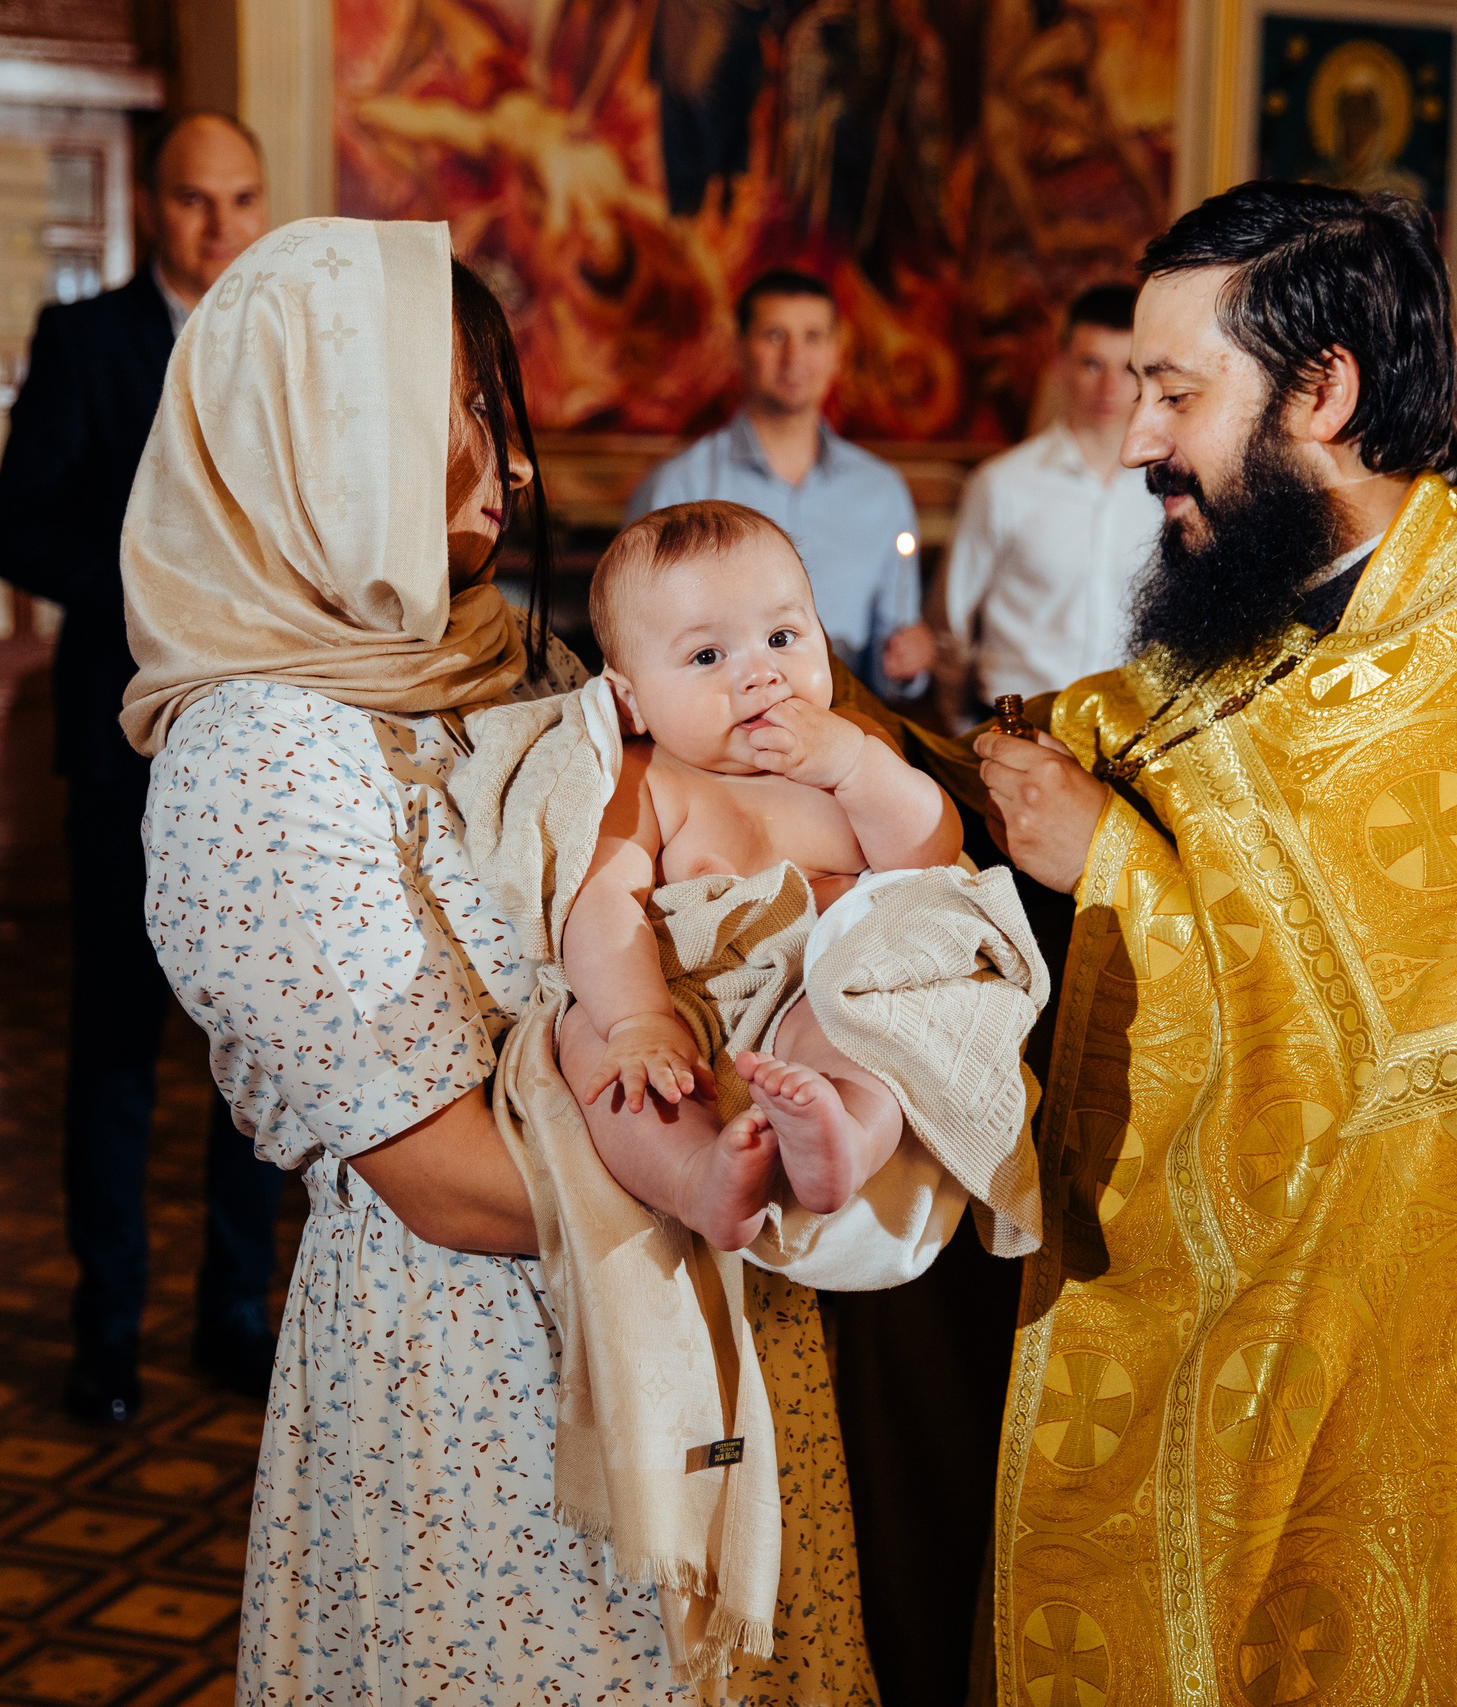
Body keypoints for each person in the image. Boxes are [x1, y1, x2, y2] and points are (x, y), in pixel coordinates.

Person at [120, 217, 945, 1702]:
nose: (510, 469)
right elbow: (435, 1169)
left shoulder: (518, 660)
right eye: (462, 420)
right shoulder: (256, 754)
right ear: (321, 440)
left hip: (706, 1303)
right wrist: (744, 1187)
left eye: (501, 424)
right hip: (494, 1380)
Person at [963, 182, 1457, 1703]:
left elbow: (1363, 1043)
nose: (1139, 439)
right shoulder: (1280, 614)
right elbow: (1124, 749)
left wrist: (1112, 866)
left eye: (1174, 391)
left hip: (1384, 1367)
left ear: (1322, 390)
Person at [0, 111, 281, 1424]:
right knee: (114, 1046)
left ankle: (236, 1306)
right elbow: (13, 530)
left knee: (251, 1048)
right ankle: (105, 1321)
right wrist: (147, 567)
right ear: (152, 207)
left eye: (241, 199)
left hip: (266, 751)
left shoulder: (288, 352)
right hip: (121, 747)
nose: (219, 225)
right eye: (194, 200)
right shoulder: (86, 340)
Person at [564, 500, 966, 1246]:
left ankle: (840, 1135)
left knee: (873, 1031)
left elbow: (931, 851)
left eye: (782, 637)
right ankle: (696, 1176)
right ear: (630, 700)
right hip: (696, 1003)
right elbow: (602, 899)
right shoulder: (647, 780)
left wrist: (854, 765)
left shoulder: (849, 750)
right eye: (707, 656)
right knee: (590, 1045)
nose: (761, 673)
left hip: (822, 985)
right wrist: (638, 1017)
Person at [625, 269, 933, 699]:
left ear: (836, 352)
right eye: (774, 335)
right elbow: (639, 643)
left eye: (813, 337)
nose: (795, 358)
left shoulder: (881, 492)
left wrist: (906, 666)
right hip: (719, 734)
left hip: (851, 731)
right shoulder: (680, 486)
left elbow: (892, 659)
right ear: (739, 348)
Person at [938, 282, 1158, 713]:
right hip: (1019, 721)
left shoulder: (1171, 489)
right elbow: (952, 624)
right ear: (1060, 365)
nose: (1110, 386)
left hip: (1133, 730)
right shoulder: (1001, 484)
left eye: (1128, 368)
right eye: (1092, 365)